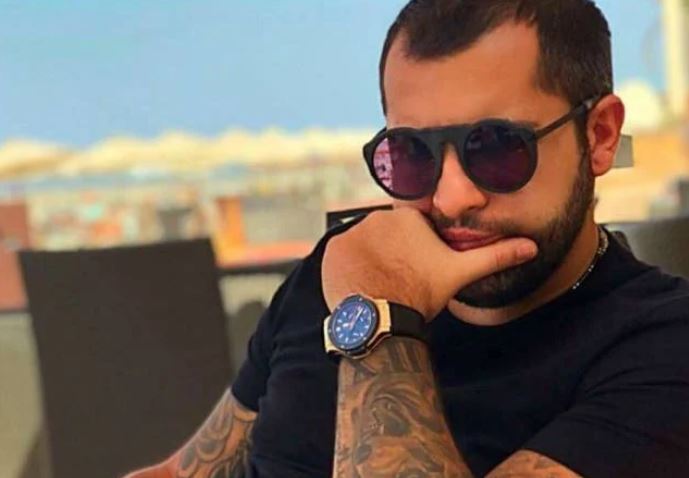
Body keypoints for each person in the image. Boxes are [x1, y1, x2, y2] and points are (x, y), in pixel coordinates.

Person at [126, 1, 689, 477]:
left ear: (599, 136)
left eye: (497, 148)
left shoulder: (663, 345)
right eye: (413, 154)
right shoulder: (339, 268)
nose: (452, 197)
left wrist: (380, 318)